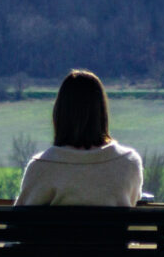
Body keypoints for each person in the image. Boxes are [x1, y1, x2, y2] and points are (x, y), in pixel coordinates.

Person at [14, 69, 144, 206]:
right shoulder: (128, 163)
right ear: (101, 113)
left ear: (60, 114)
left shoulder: (41, 167)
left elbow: (18, 222)